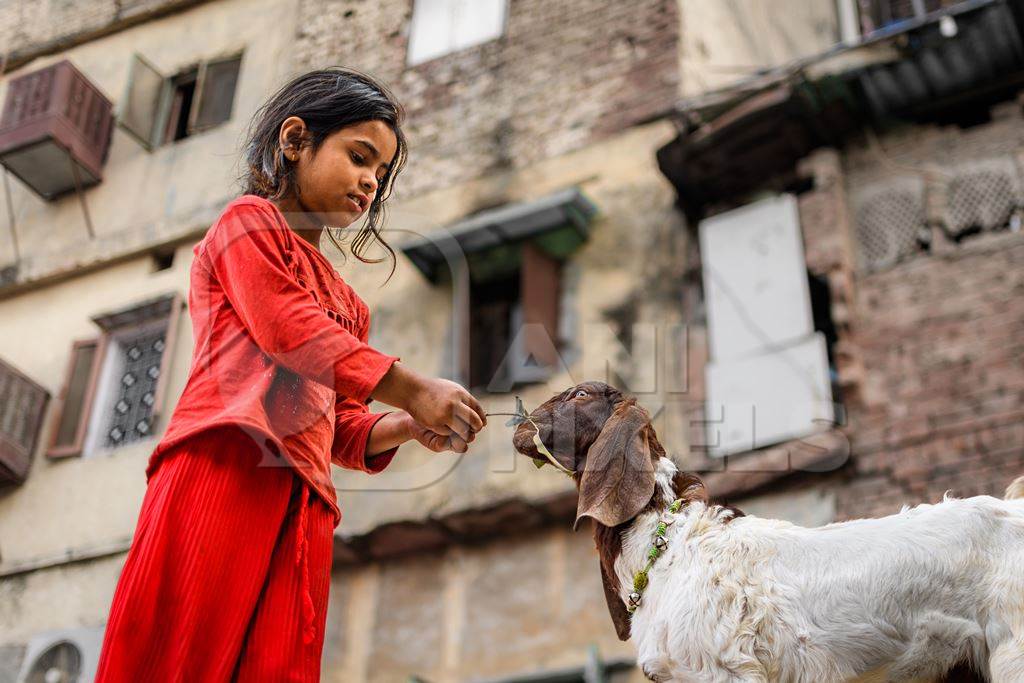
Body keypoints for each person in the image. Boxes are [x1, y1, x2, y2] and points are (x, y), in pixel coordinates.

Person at [94, 67, 486, 682]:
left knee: (278, 668)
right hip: (224, 460)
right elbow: (288, 329)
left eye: (380, 174)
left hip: (305, 499)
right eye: (360, 157)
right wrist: (413, 387)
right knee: (179, 661)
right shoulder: (246, 224)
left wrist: (407, 424)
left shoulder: (351, 306)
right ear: (296, 139)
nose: (368, 183)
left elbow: (340, 430)